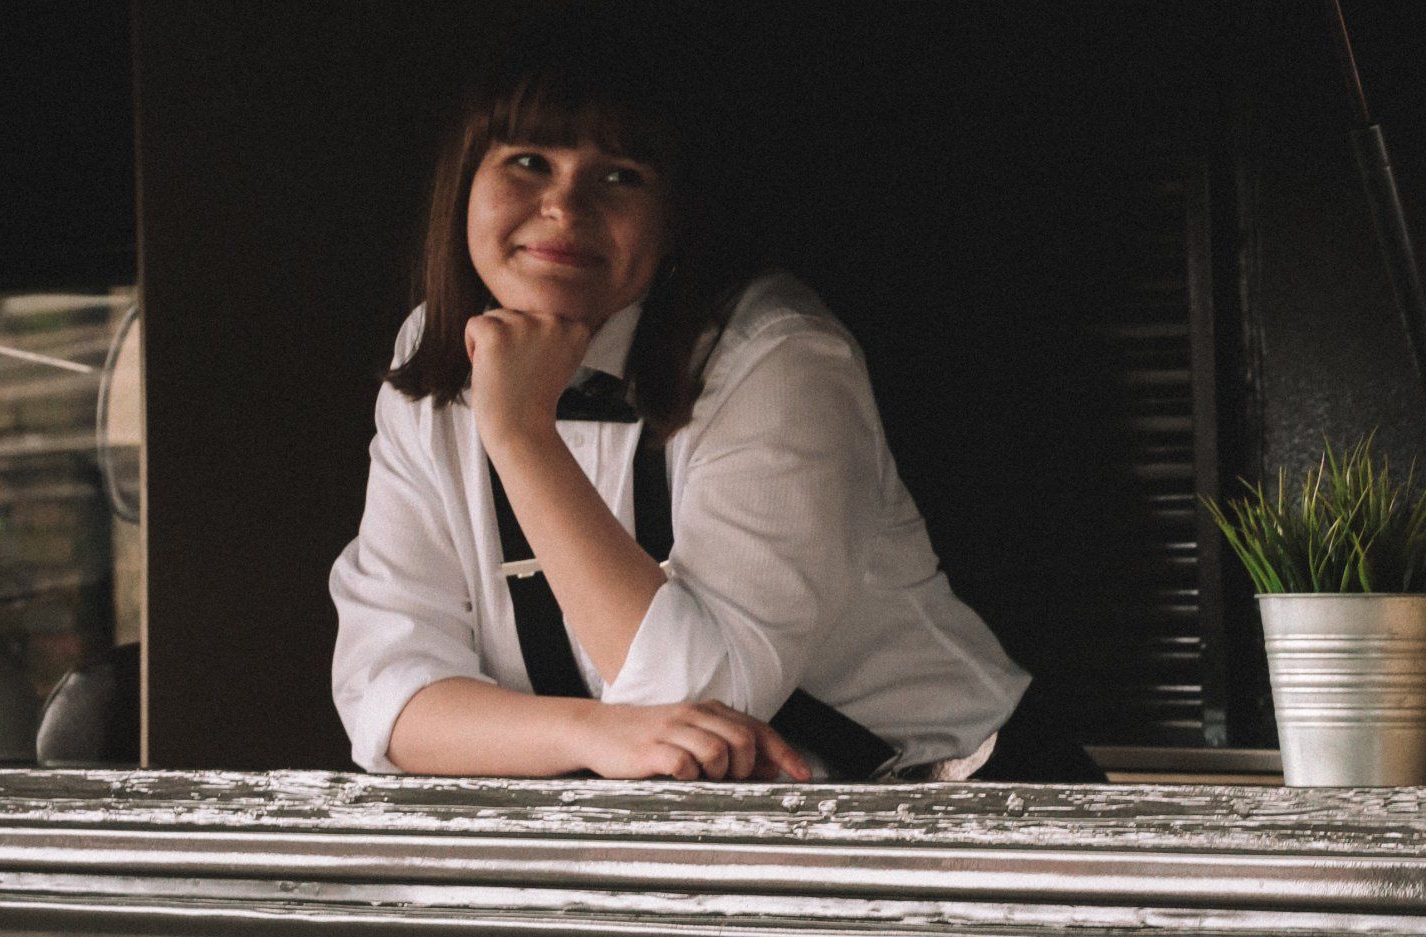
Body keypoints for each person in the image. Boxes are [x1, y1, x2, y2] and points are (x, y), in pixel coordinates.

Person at [330, 42, 1080, 784]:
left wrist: (521, 435)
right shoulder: (432, 349)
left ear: (673, 218)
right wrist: (587, 733)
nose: (563, 208)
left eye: (620, 176)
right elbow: (384, 695)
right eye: (529, 162)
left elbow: (702, 703)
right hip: (689, 817)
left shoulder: (782, 358)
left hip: (958, 799)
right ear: (464, 183)